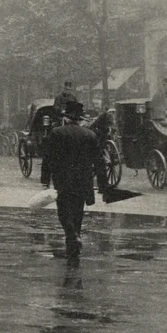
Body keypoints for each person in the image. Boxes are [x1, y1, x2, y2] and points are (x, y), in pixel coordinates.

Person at [40, 103, 110, 260]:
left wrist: (45, 179)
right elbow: (99, 162)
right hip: (83, 180)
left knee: (63, 211)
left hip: (63, 179)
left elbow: (48, 157)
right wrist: (104, 186)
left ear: (65, 118)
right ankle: (74, 245)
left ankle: (72, 237)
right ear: (80, 119)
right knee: (78, 211)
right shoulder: (90, 135)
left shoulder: (56, 133)